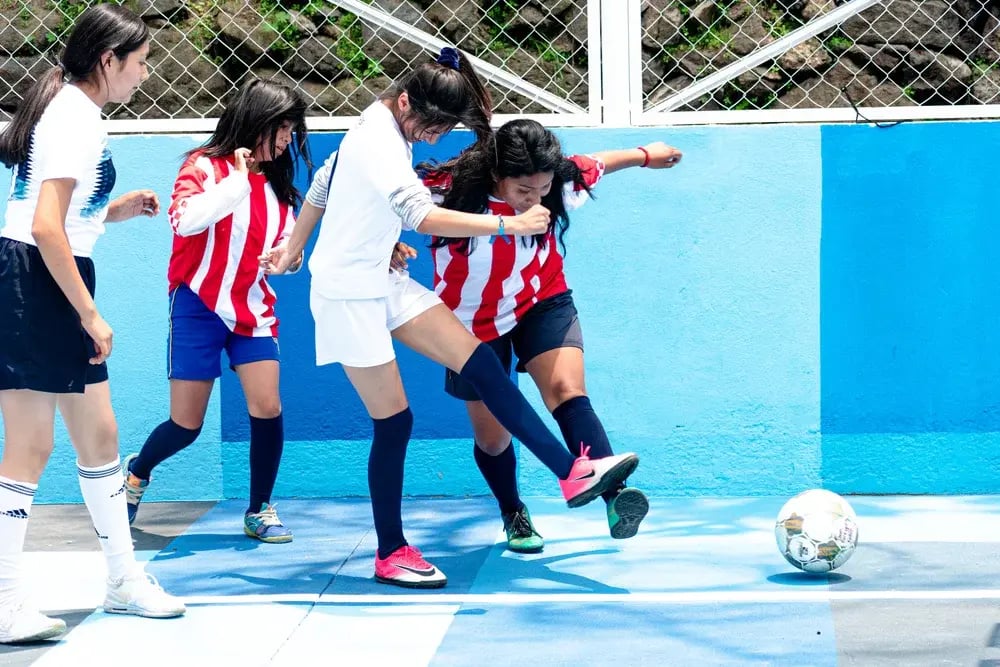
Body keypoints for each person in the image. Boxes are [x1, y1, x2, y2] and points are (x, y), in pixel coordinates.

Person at [260, 47, 639, 589]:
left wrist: (293, 246)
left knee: (482, 364)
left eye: (445, 128)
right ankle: (390, 551)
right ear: (406, 100)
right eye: (431, 125)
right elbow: (419, 214)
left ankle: (572, 473)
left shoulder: (377, 121)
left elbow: (324, 182)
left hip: (383, 281)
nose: (436, 137)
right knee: (395, 423)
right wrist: (509, 226)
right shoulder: (380, 143)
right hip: (349, 296)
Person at [400, 118, 683, 552]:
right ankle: (512, 510)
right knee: (493, 437)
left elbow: (598, 164)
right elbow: (380, 207)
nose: (535, 200)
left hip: (540, 298)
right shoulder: (447, 192)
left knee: (567, 390)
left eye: (543, 189)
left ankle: (615, 497)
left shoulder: (556, 183)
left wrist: (647, 156)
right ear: (497, 175)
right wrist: (386, 246)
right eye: (523, 192)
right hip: (468, 323)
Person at [0, 4, 186, 643]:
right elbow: (44, 227)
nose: (142, 76)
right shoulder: (76, 119)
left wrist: (113, 212)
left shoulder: (76, 114)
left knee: (101, 438)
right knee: (30, 446)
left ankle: (122, 580)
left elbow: (57, 215)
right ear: (107, 60)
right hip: (38, 282)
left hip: (49, 272)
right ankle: (3, 601)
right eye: (138, 64)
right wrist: (89, 312)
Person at [122, 78, 311, 545]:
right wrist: (239, 182)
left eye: (291, 130)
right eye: (281, 128)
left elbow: (286, 247)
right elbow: (184, 219)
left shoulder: (281, 185)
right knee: (186, 425)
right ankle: (136, 473)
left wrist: (288, 258)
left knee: (268, 406)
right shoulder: (203, 166)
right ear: (256, 123)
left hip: (252, 309)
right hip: (197, 304)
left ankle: (259, 509)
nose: (288, 140)